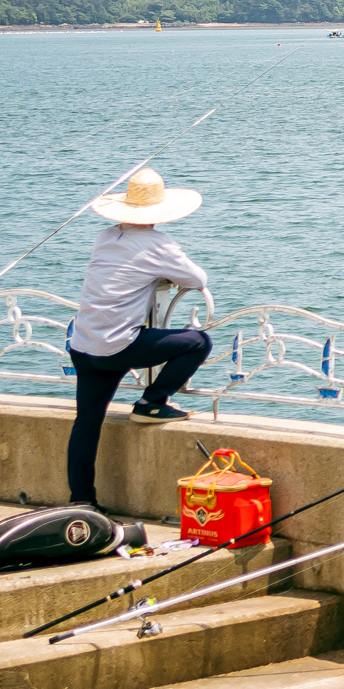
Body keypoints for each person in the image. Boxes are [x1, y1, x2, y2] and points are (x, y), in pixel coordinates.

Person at [63, 167, 215, 506]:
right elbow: (197, 279)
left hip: (84, 345)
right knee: (198, 342)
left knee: (86, 424)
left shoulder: (106, 237)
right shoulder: (158, 243)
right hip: (119, 346)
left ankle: (81, 500)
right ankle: (151, 402)